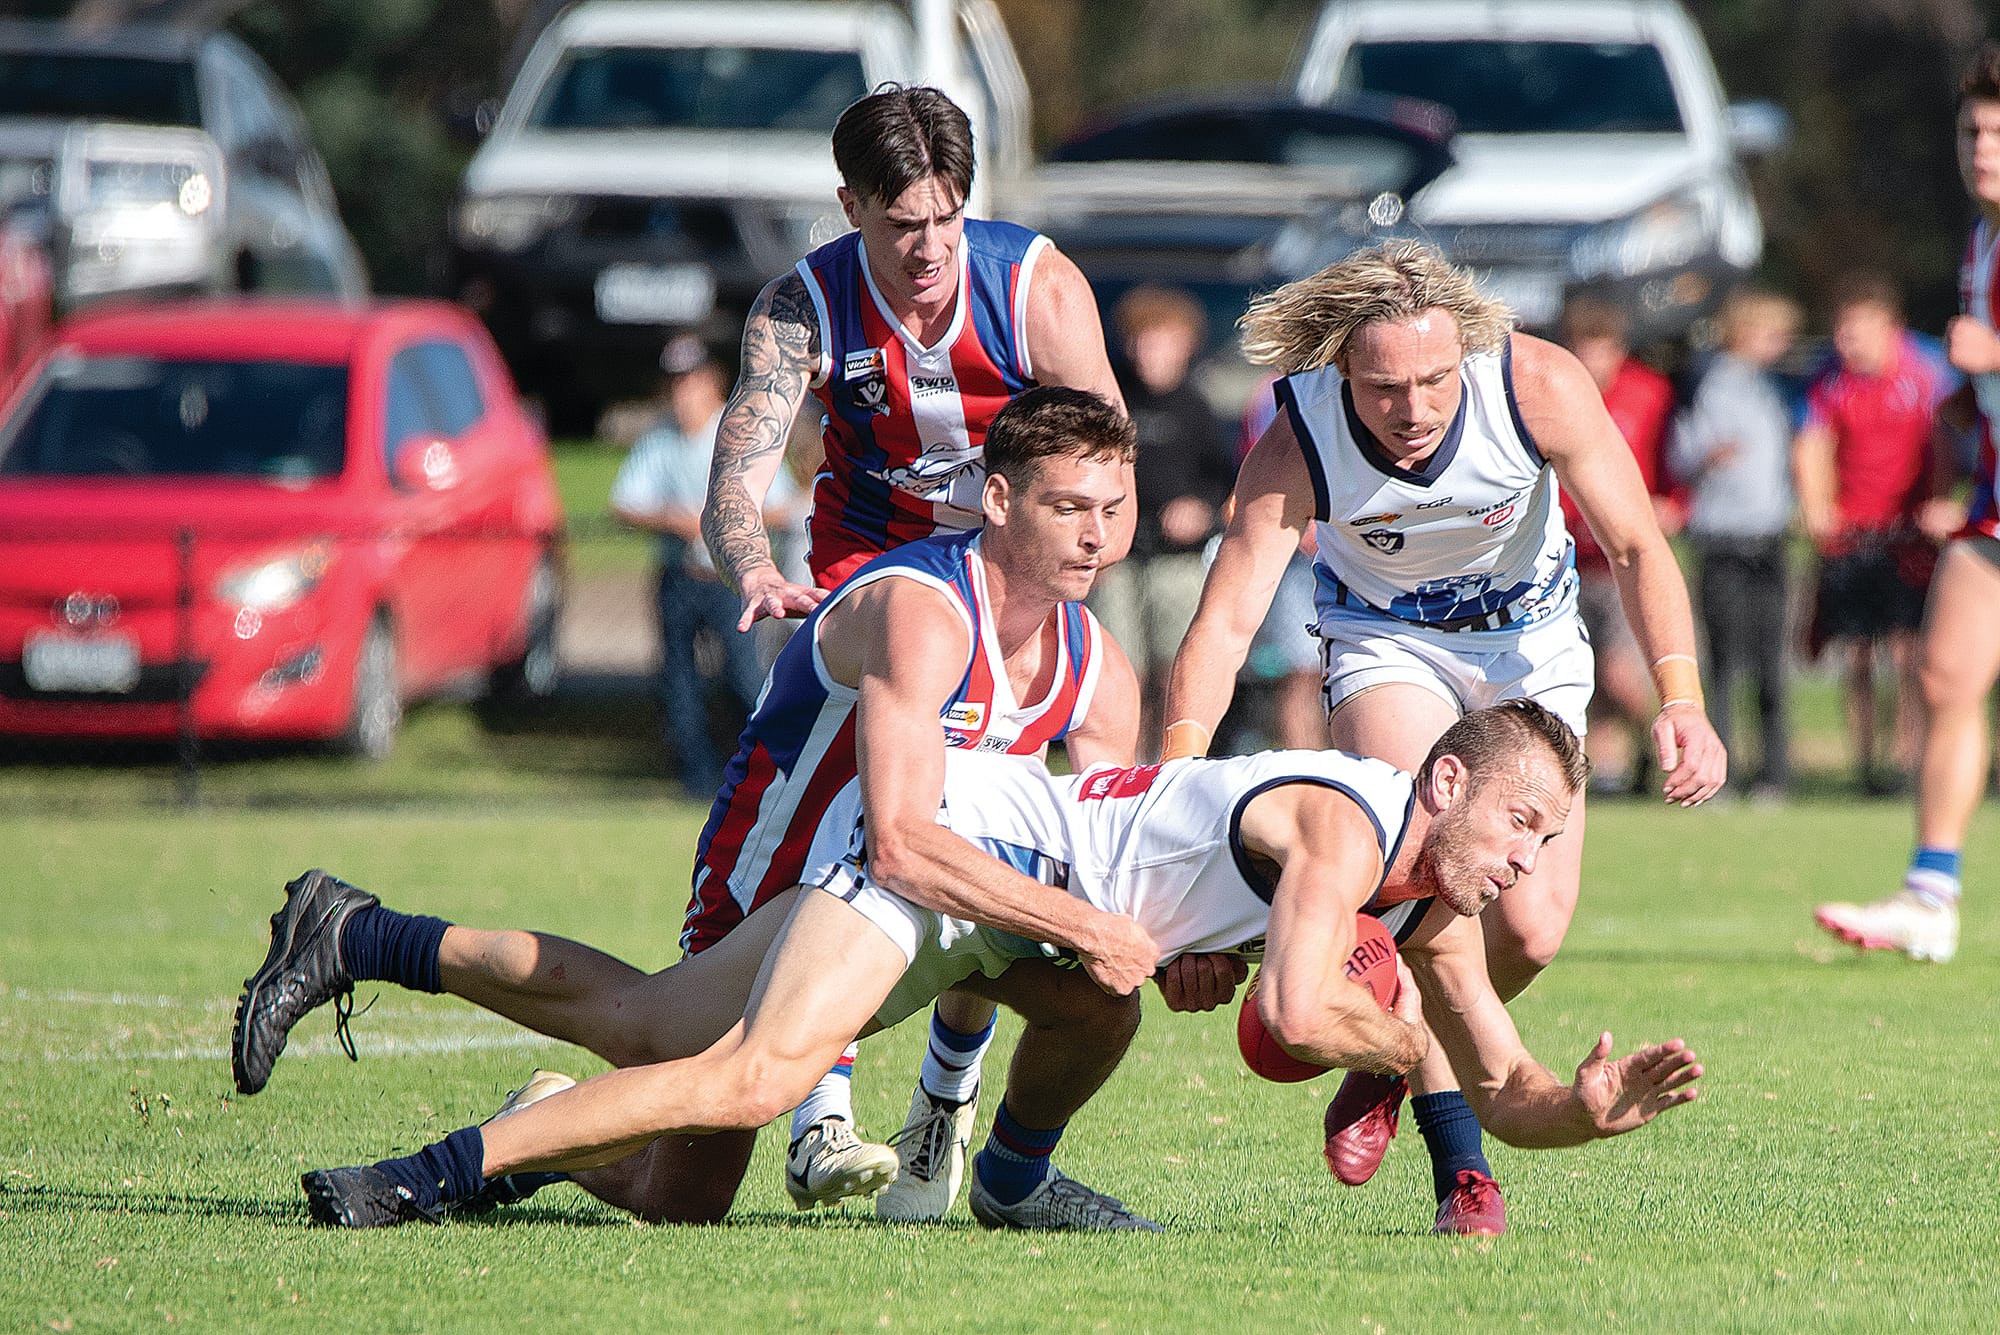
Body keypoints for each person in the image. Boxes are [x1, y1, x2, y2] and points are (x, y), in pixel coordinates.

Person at [234, 388, 1220, 1229]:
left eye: (1111, 506)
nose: (1097, 534)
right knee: (653, 1053)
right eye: (1067, 507)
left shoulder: (1097, 673)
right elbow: (909, 843)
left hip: (899, 889)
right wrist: (1085, 925)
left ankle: (1012, 1180)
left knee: (1097, 1000)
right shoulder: (924, 614)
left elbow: (1090, 855)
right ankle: (366, 942)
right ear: (999, 500)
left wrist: (1182, 944)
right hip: (784, 857)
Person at [283, 701, 1703, 1233]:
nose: (1529, 854)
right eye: (1521, 819)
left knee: (643, 1053)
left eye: (1552, 834)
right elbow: (1285, 1017)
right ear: (1445, 779)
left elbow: (1500, 1080)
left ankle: (361, 932)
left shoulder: (1429, 900)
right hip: (960, 854)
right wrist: (1393, 1050)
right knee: (745, 1077)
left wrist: (1589, 1105)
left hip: (1043, 927)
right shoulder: (1347, 817)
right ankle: (427, 1172)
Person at [1158, 240, 1726, 1235]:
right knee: (1431, 883)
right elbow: (1223, 619)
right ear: (1340, 369)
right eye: (1383, 388)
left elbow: (1636, 545)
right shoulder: (1299, 438)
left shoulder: (1536, 385)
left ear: (1462, 352)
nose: (1412, 409)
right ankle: (1460, 1168)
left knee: (1532, 930)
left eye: (1430, 381)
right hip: (1388, 650)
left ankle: (1387, 1037)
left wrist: (1679, 697)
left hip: (1533, 652)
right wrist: (1173, 776)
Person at [697, 85, 1131, 1204]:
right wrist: (753, 566)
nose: (929, 247)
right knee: (857, 816)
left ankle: (944, 1099)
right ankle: (819, 1115)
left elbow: (1106, 463)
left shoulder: (1036, 287)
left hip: (1008, 580)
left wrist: (1069, 565)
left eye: (946, 220)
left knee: (1002, 834)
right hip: (874, 577)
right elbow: (737, 470)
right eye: (901, 228)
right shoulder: (803, 306)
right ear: (849, 207)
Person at [1816, 44, 2000, 963]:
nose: (1986, 147)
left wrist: (1991, 359)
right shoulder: (1979, 240)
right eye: (1974, 129)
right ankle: (1931, 893)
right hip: (1996, 504)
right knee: (1942, 677)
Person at [1792, 275, 1952, 795]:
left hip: (1908, 533)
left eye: (1857, 333)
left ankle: (1910, 759)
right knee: (1857, 650)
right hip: (1853, 532)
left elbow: (1949, 436)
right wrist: (1817, 507)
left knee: (1910, 652)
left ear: (1889, 329)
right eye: (1842, 334)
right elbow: (1812, 442)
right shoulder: (1830, 379)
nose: (1847, 344)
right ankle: (1866, 764)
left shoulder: (1926, 369)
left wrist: (1940, 503)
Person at [610, 334, 790, 795]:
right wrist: (669, 517)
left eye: (689, 382)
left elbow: (784, 503)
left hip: (731, 581)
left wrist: (722, 517)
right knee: (679, 681)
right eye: (673, 384)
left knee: (745, 677)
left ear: (711, 383)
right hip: (680, 577)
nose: (680, 394)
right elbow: (625, 502)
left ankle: (764, 770)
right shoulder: (659, 439)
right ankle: (695, 775)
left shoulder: (739, 432)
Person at [1668, 288, 1802, 800]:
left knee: (1772, 663)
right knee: (1723, 665)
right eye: (1772, 333)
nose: (1781, 344)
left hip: (1768, 538)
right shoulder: (1709, 382)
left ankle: (1774, 775)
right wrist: (1708, 456)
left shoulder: (1775, 388)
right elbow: (1683, 453)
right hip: (1722, 538)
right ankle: (1715, 776)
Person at [1089, 284, 1236, 731]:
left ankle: (1165, 765)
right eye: (1138, 340)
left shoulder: (1197, 407)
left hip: (1178, 561)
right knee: (1120, 671)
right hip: (1118, 559)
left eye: (1159, 340)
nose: (1146, 352)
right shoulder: (1112, 400)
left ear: (1185, 345)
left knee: (1176, 672)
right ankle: (1121, 763)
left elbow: (1225, 482)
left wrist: (1202, 512)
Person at [1556, 296, 1682, 794]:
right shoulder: (1556, 395)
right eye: (1583, 348)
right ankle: (1605, 770)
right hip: (1567, 558)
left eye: (1602, 349)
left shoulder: (1649, 393)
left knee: (1620, 675)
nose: (1593, 361)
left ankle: (1658, 742)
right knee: (1584, 679)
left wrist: (1674, 501)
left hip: (1622, 558)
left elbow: (1673, 457)